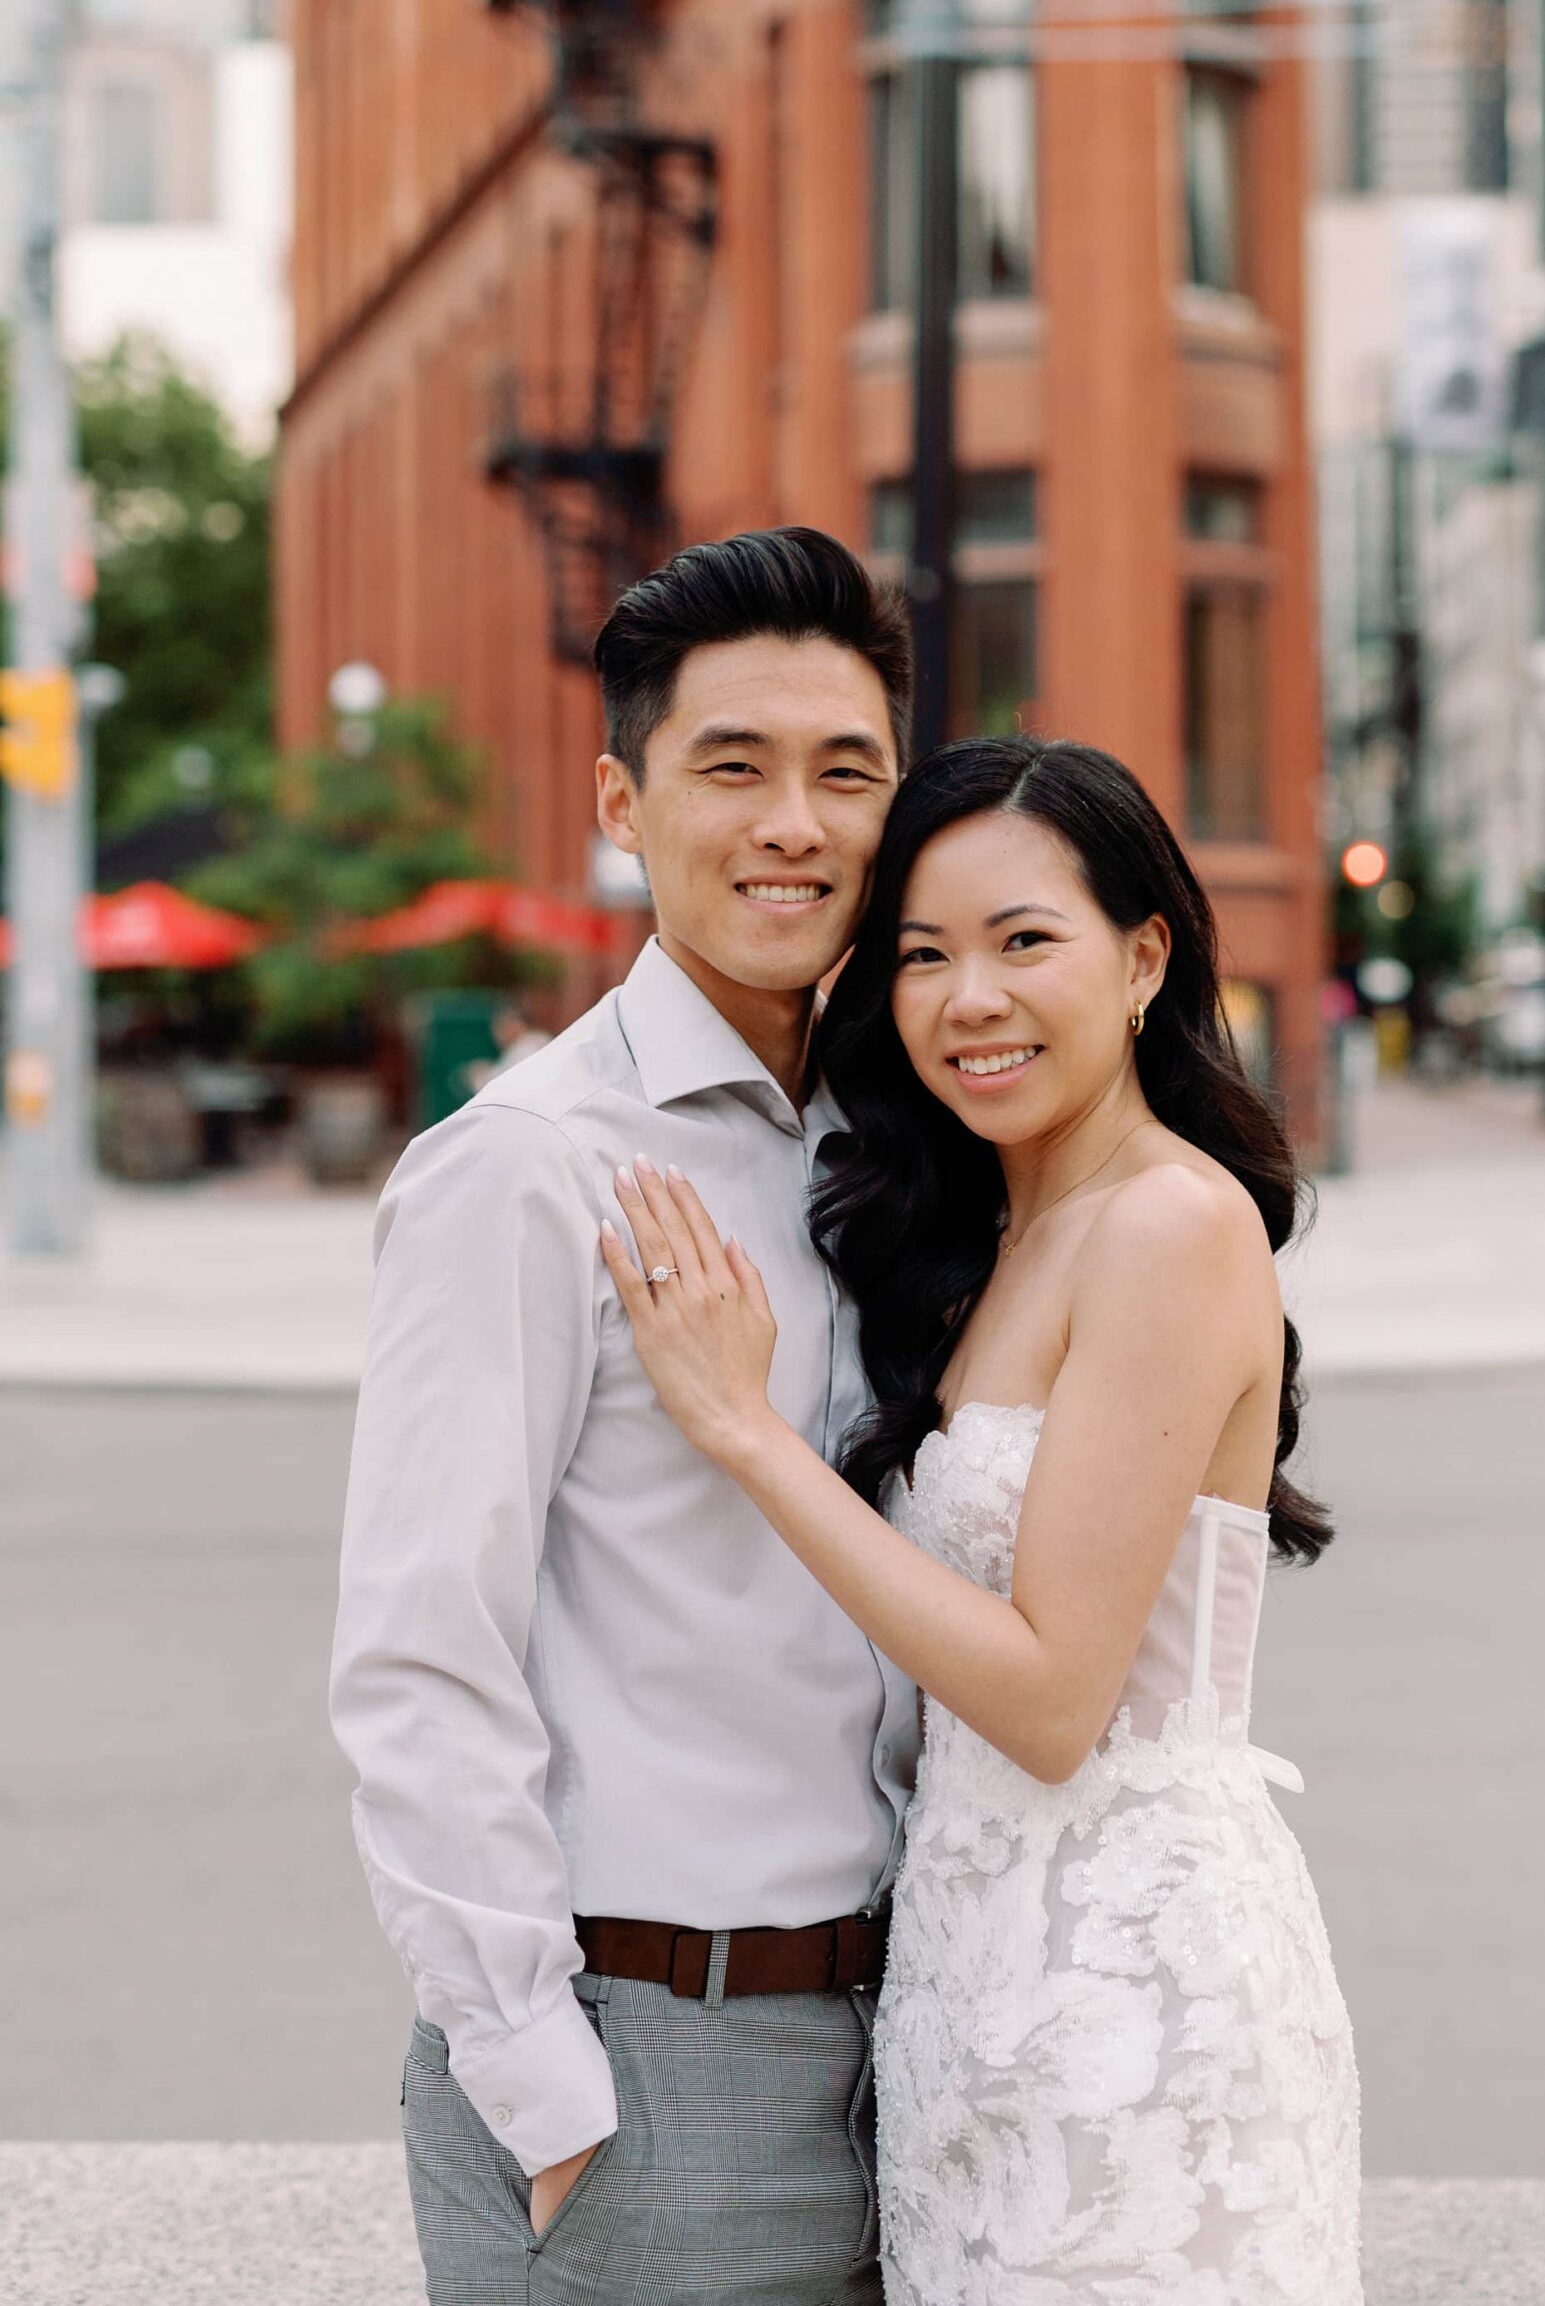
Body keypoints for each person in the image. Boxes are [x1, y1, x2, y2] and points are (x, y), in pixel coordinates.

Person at [602, 734, 1363, 2304]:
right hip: (973, 1965)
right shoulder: (994, 1233)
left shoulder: (1169, 1223)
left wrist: (748, 1434)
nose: (969, 1000)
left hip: (1133, 1990)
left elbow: (1050, 1699)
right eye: (924, 956)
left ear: (1145, 956)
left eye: (1026, 942)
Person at [330, 527, 920, 2306]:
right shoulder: (527, 1166)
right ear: (622, 799)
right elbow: (419, 1654)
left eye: (846, 773)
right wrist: (542, 2088)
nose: (792, 825)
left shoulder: (893, 1153)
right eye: (731, 767)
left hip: (904, 2051)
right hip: (641, 2058)